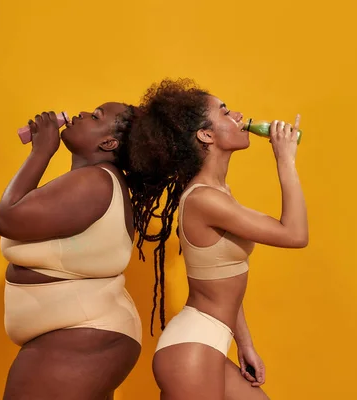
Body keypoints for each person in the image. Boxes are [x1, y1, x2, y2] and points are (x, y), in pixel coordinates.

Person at [128, 79, 309, 399]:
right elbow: (295, 235)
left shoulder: (217, 194)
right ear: (206, 135)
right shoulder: (205, 200)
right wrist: (285, 158)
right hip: (191, 351)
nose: (238, 115)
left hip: (207, 343)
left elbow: (220, 278)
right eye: (225, 112)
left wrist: (245, 344)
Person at [0, 101, 178, 399]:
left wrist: (41, 150)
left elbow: (8, 218)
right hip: (82, 334)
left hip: (83, 333)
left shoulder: (94, 182)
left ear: (108, 142)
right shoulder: (93, 181)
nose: (80, 114)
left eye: (96, 116)